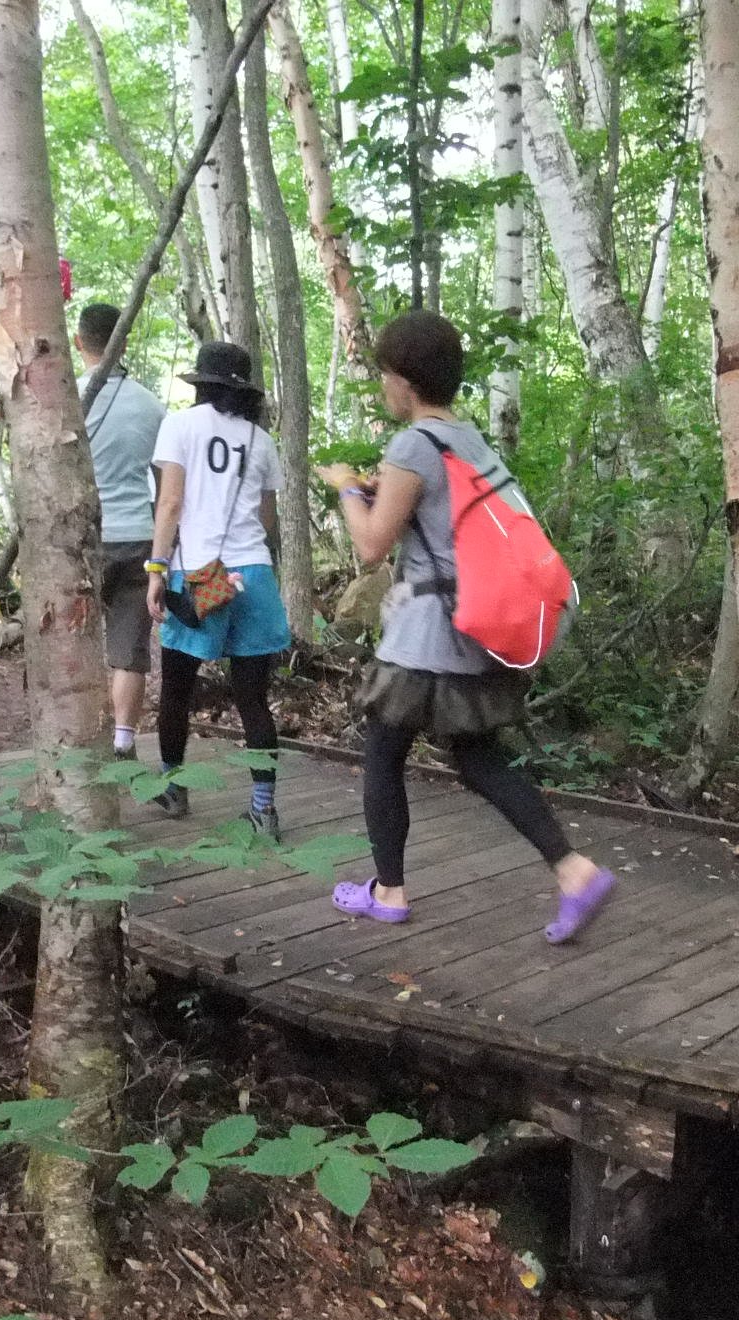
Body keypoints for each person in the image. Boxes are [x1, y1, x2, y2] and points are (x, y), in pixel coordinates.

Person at [318, 310, 615, 944]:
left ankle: (389, 892)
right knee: (478, 758)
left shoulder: (412, 444)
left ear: (402, 381)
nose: (384, 389)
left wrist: (347, 488)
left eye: (385, 378)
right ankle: (573, 870)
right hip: (474, 622)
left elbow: (372, 548)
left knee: (383, 753)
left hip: (428, 632)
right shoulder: (470, 440)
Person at [144, 340, 290, 836]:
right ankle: (263, 809)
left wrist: (157, 569)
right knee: (253, 697)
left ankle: (173, 786)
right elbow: (268, 520)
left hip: (198, 573)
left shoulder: (179, 426)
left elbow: (170, 504)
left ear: (202, 384)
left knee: (177, 689)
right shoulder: (261, 440)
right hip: (253, 575)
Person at [73, 303, 168, 760]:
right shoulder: (152, 406)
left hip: (80, 540)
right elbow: (165, 483)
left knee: (74, 638)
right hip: (139, 536)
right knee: (129, 645)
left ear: (78, 342)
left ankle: (74, 740)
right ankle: (123, 740)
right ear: (123, 343)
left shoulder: (64, 402)